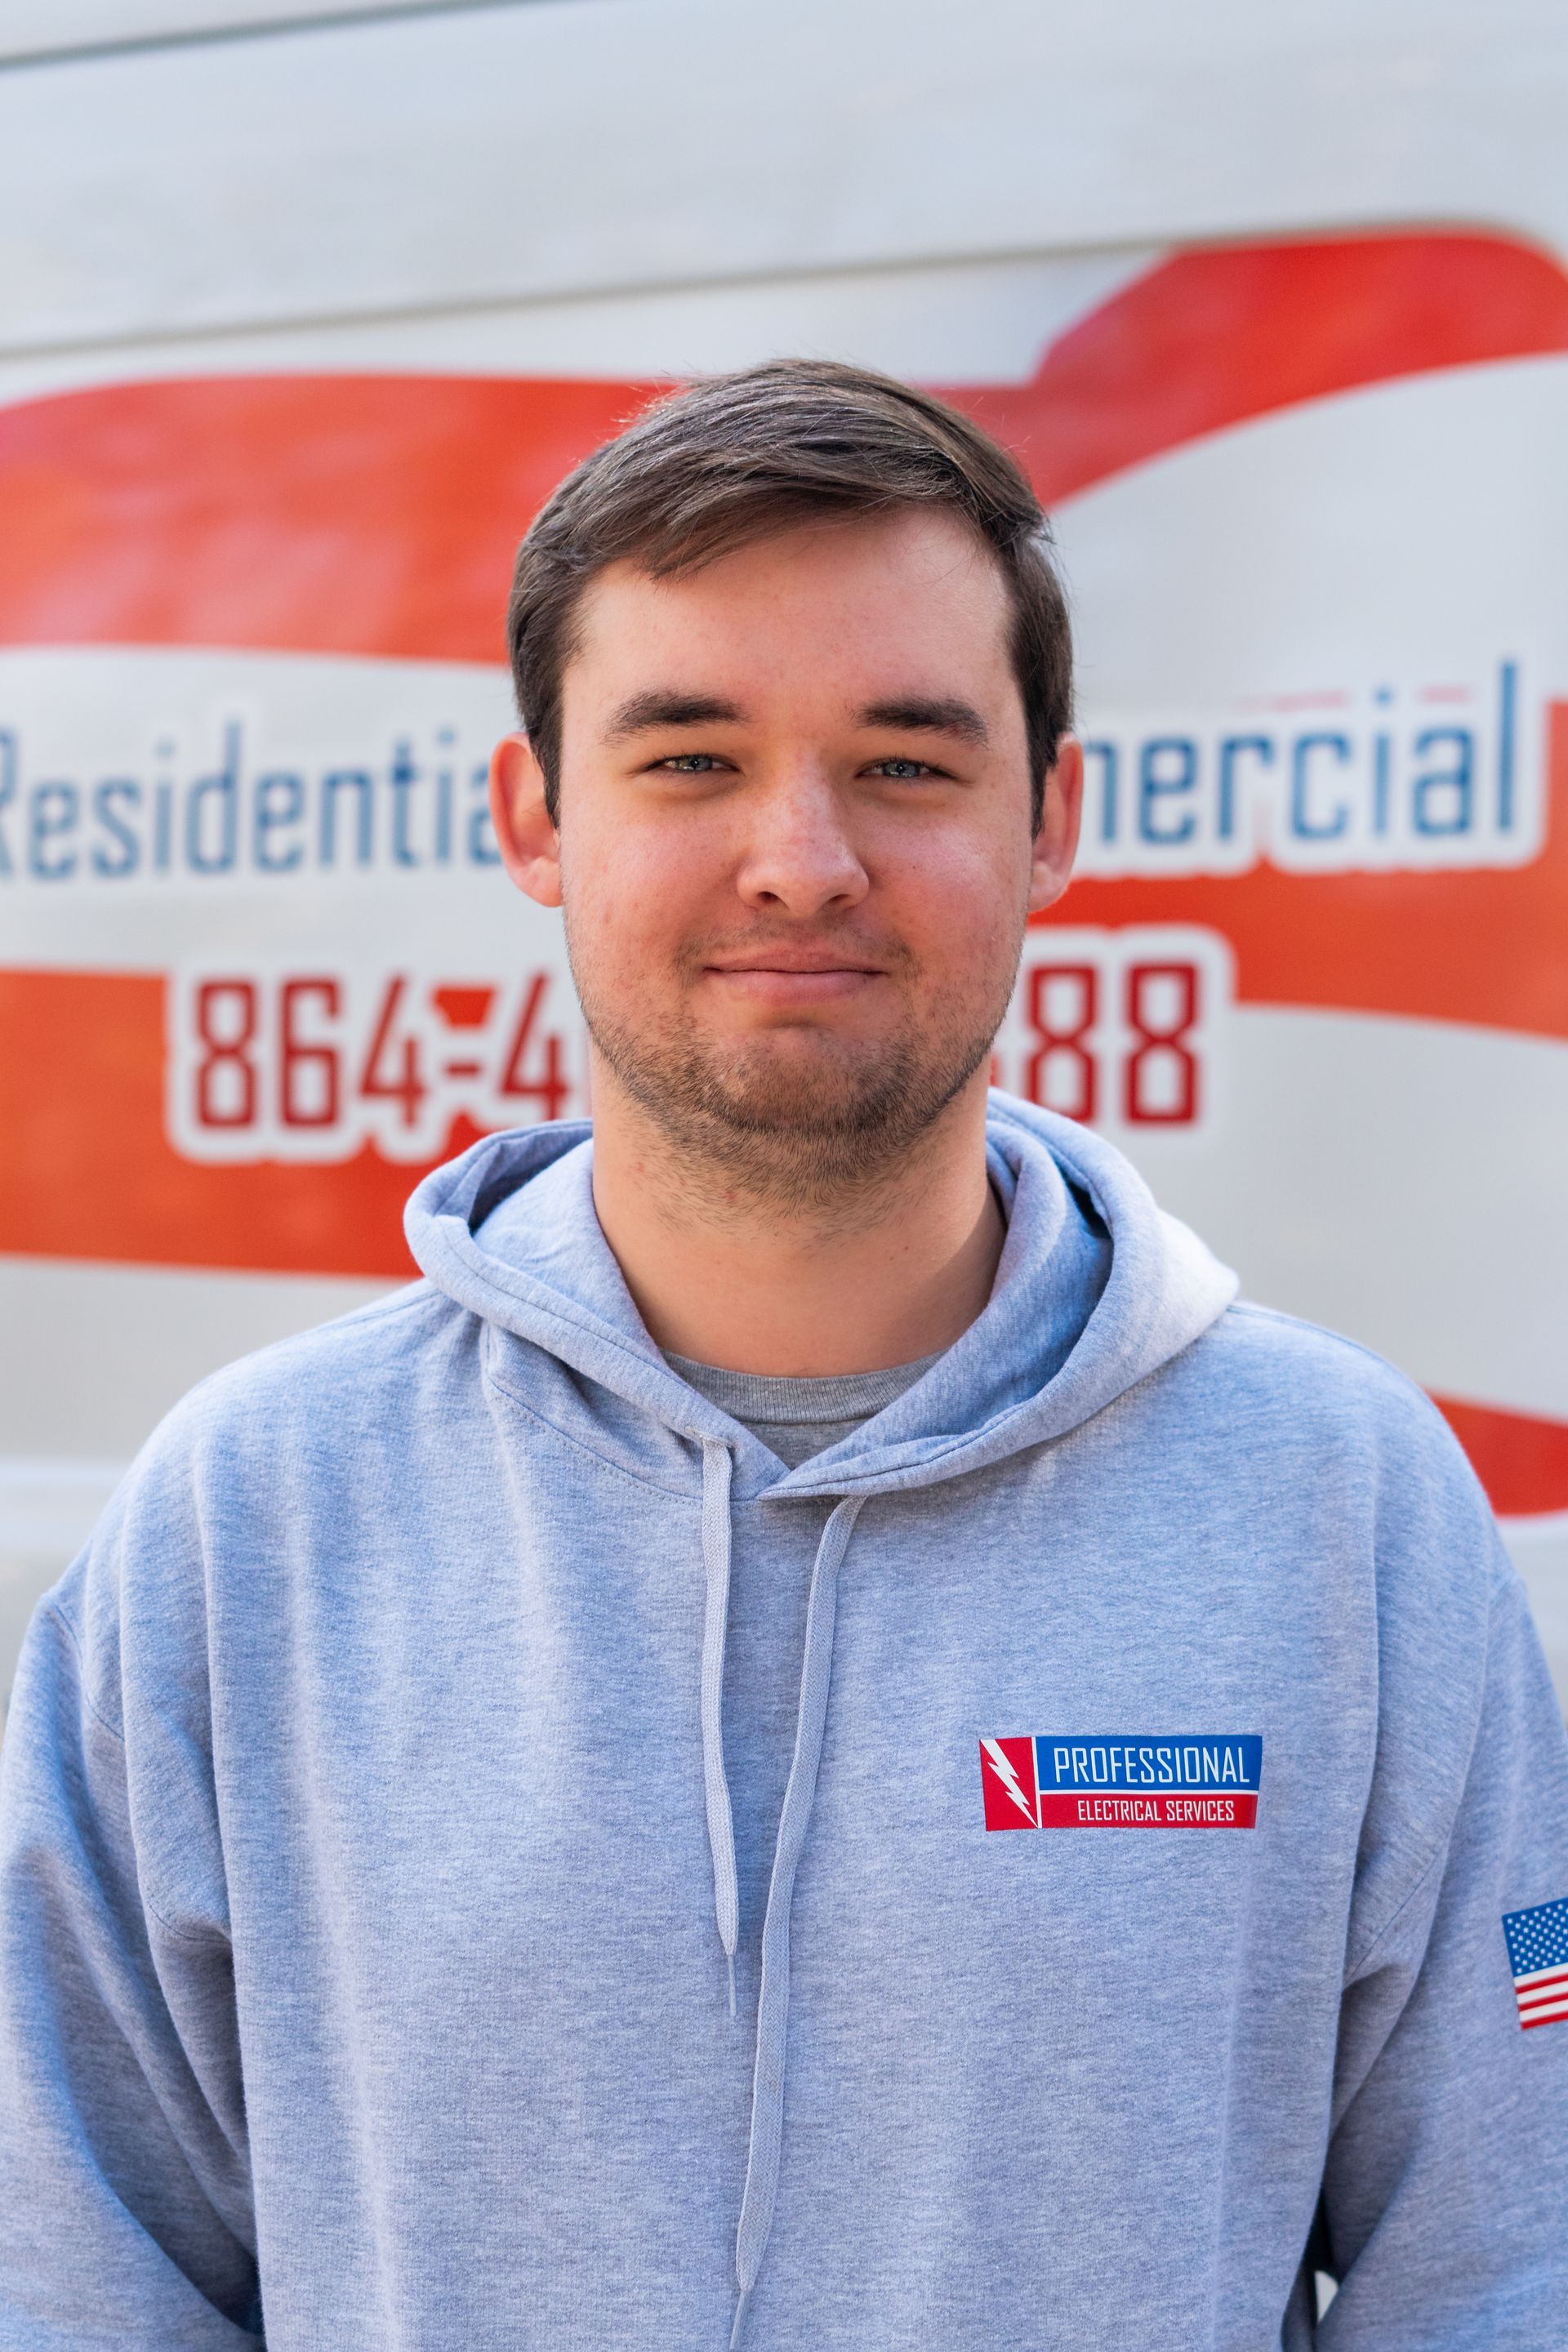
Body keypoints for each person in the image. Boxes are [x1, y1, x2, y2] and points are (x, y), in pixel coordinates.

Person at [0, 360, 1565, 2352]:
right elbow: (74, 2276)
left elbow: (1507, 2270)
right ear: (536, 816)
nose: (802, 858)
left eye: (907, 763)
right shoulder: (249, 1522)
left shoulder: (1345, 1511)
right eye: (689, 758)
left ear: (1053, 819)